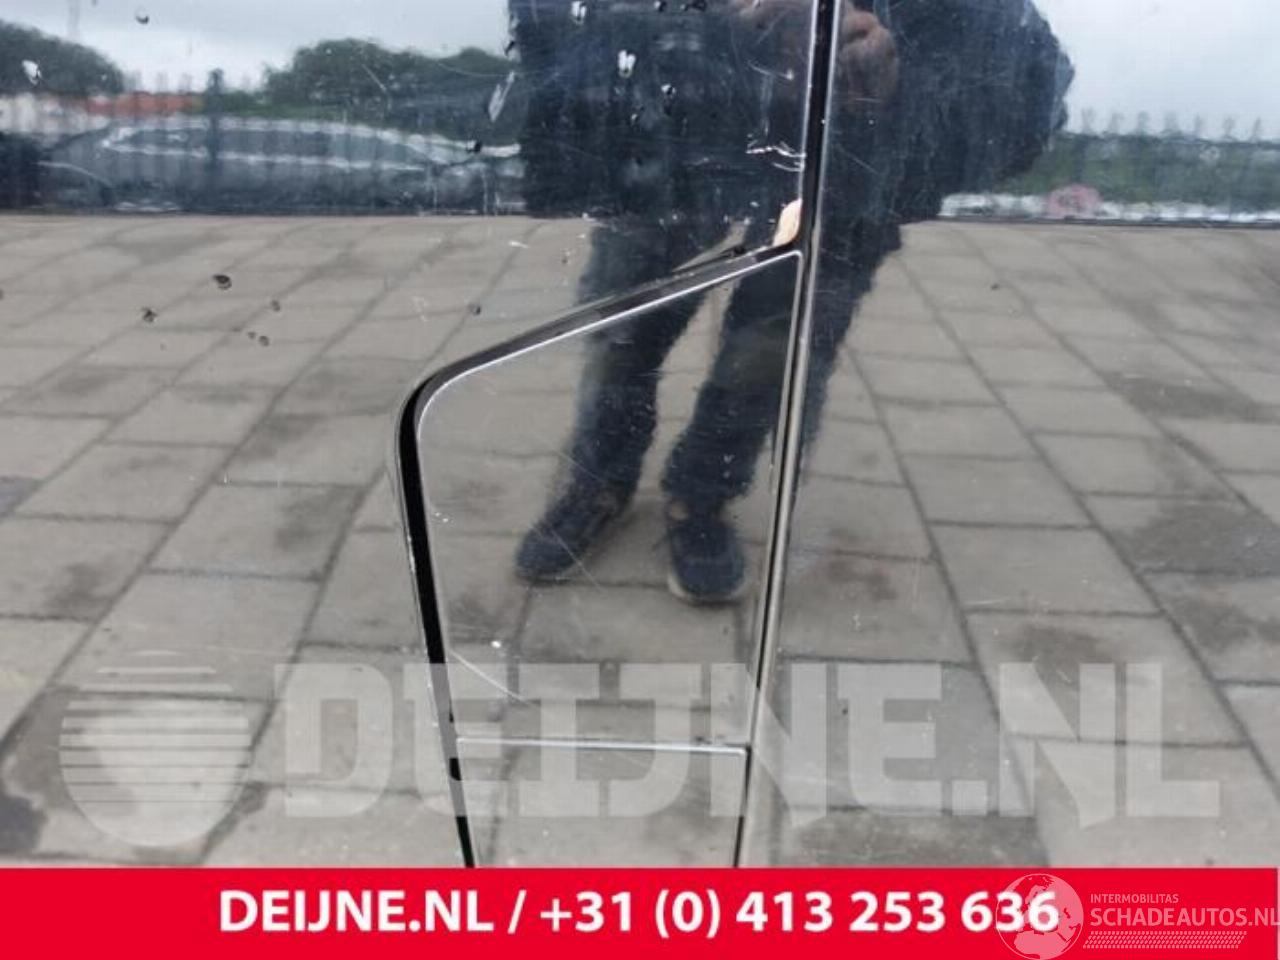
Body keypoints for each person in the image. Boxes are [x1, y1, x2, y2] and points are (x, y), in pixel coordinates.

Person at [507, 0, 1071, 602]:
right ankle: (599, 480)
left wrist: (897, 79)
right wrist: (725, 22)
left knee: (770, 353)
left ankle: (701, 496)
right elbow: (555, 25)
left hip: (844, 173)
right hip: (669, 140)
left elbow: (1021, 82)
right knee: (621, 325)